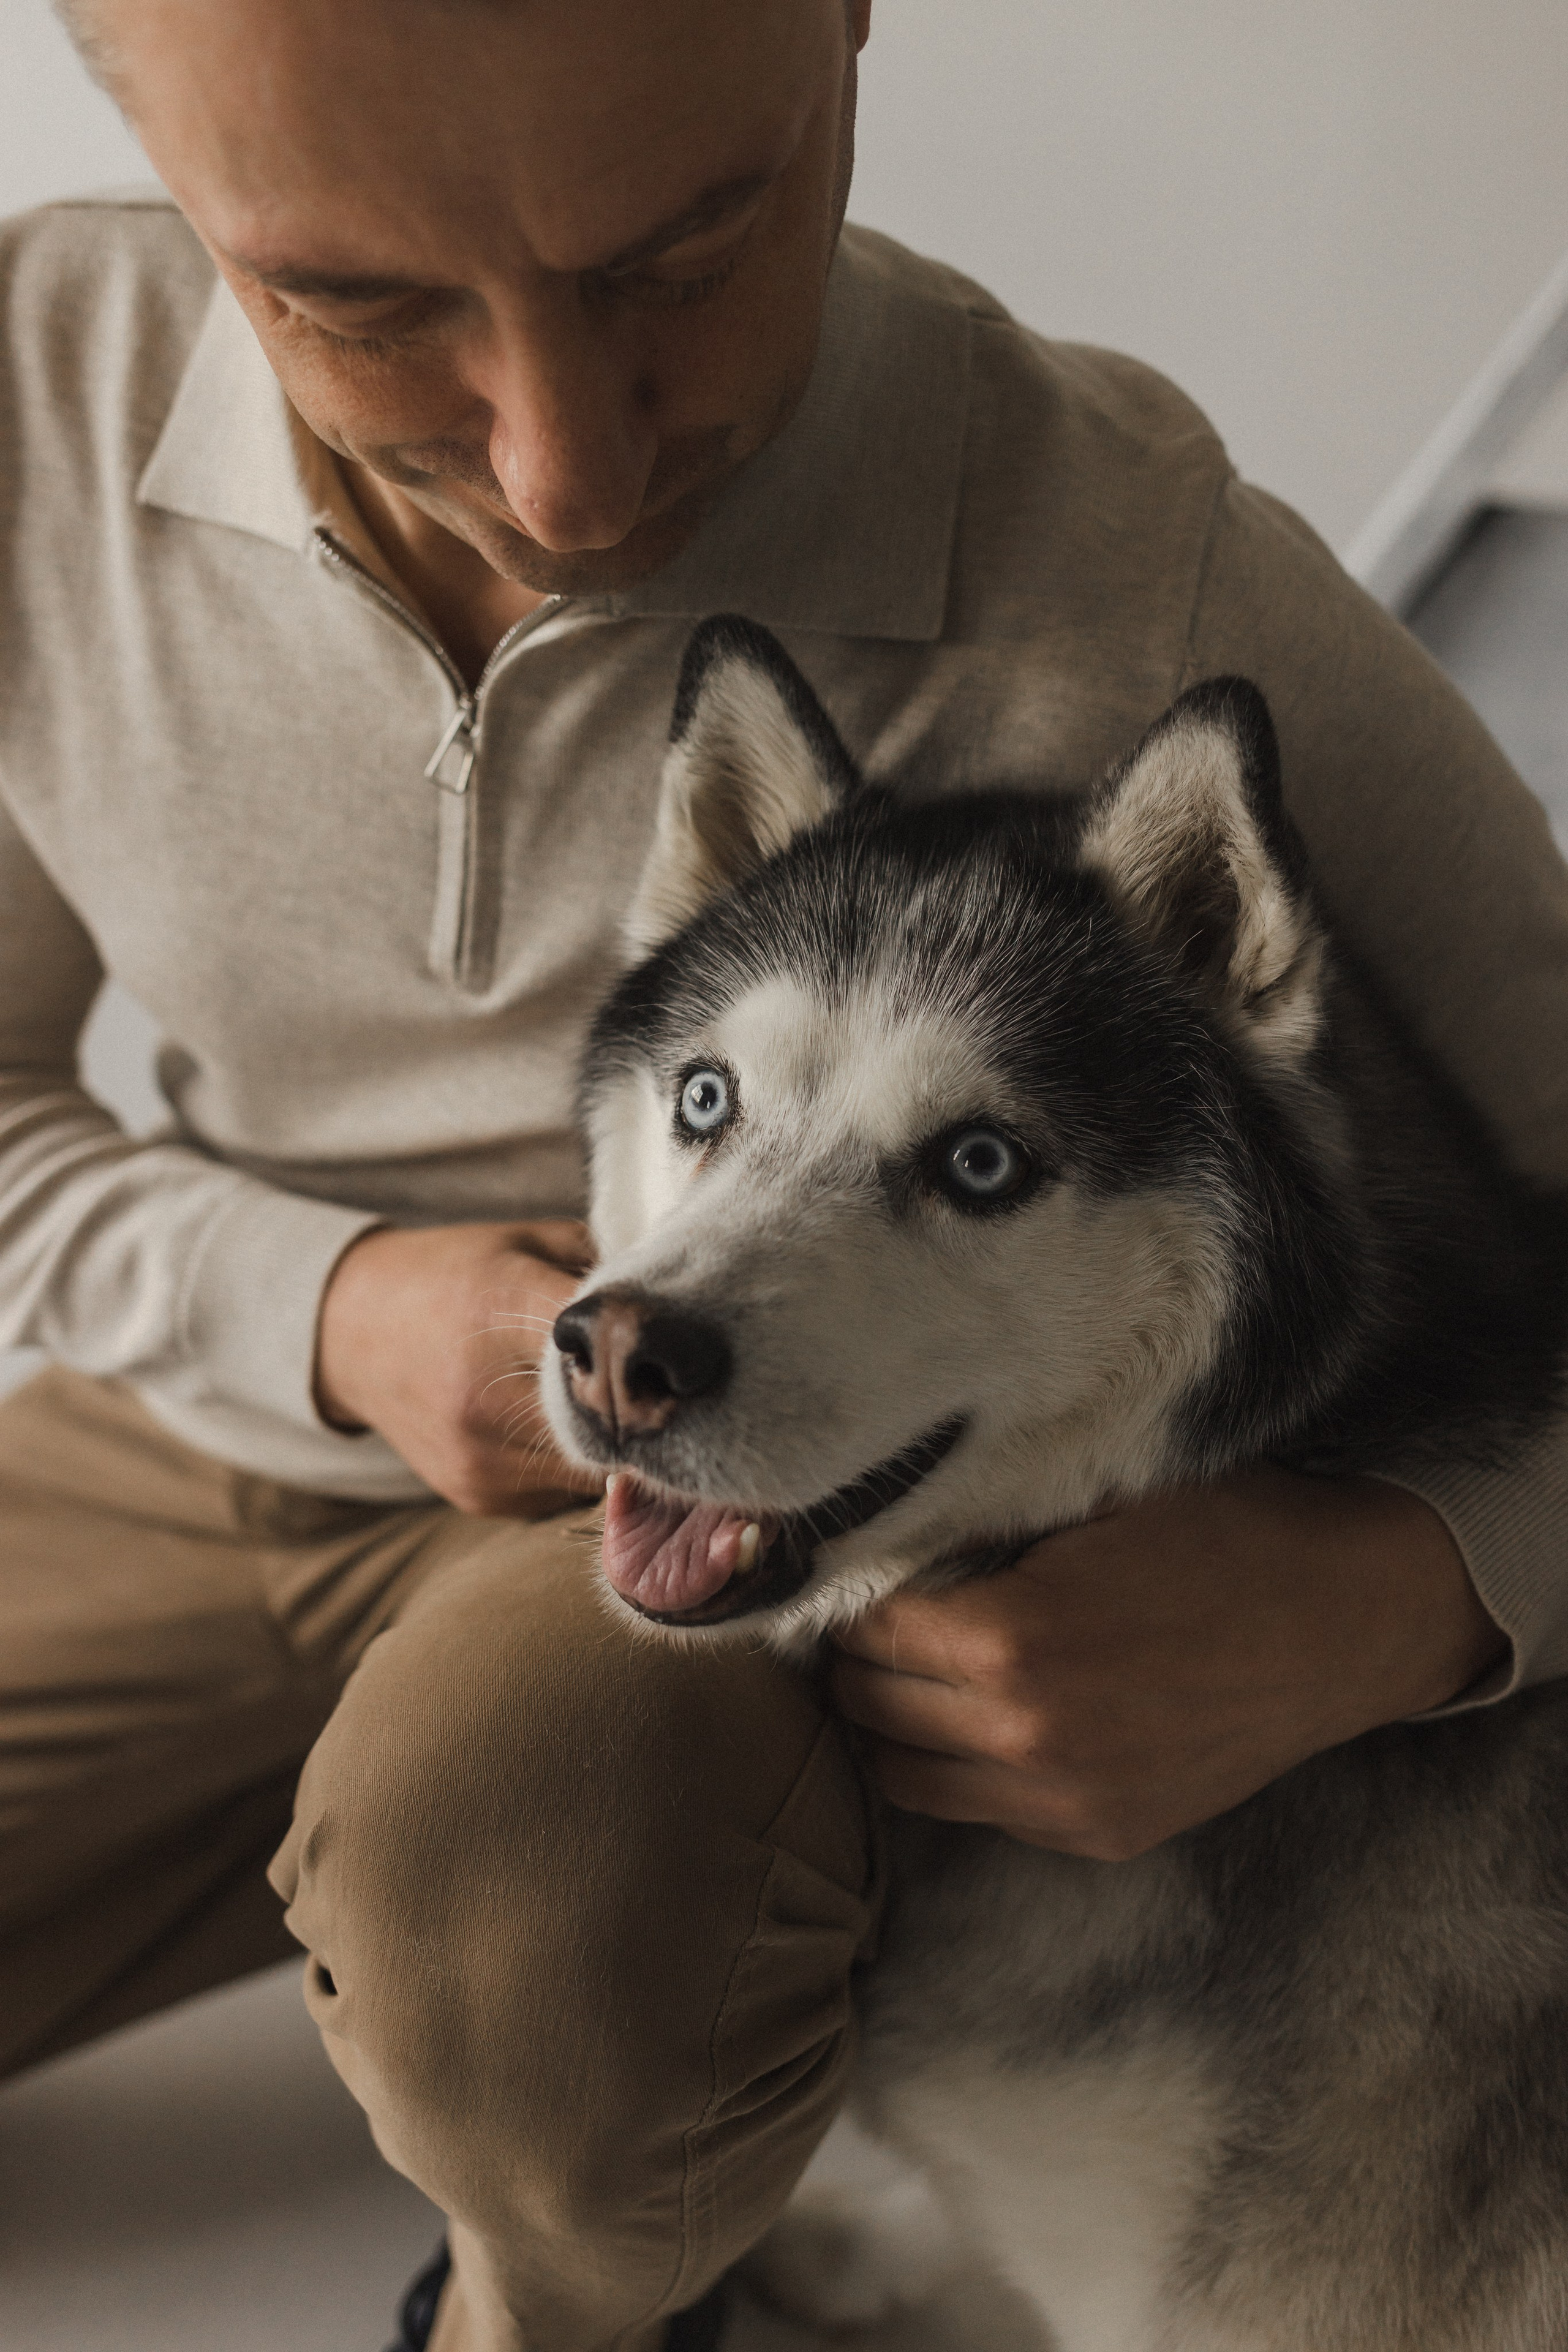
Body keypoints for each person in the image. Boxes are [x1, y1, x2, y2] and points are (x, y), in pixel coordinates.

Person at [4, 1, 1567, 2345]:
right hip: (199, 1431)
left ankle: (572, 2306)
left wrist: (1406, 1601)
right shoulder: (30, 394)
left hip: (744, 1527)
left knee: (518, 1908)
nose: (562, 470)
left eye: (686, 251)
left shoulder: (1154, 579)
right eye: (357, 302)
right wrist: (323, 1310)